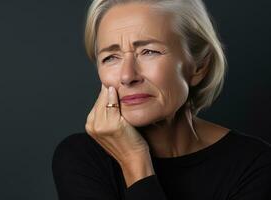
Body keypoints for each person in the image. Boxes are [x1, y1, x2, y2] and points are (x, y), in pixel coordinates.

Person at [51, 0, 271, 199]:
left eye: (149, 52)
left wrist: (135, 163)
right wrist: (133, 156)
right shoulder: (81, 158)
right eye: (111, 57)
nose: (128, 76)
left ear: (198, 66)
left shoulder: (255, 164)